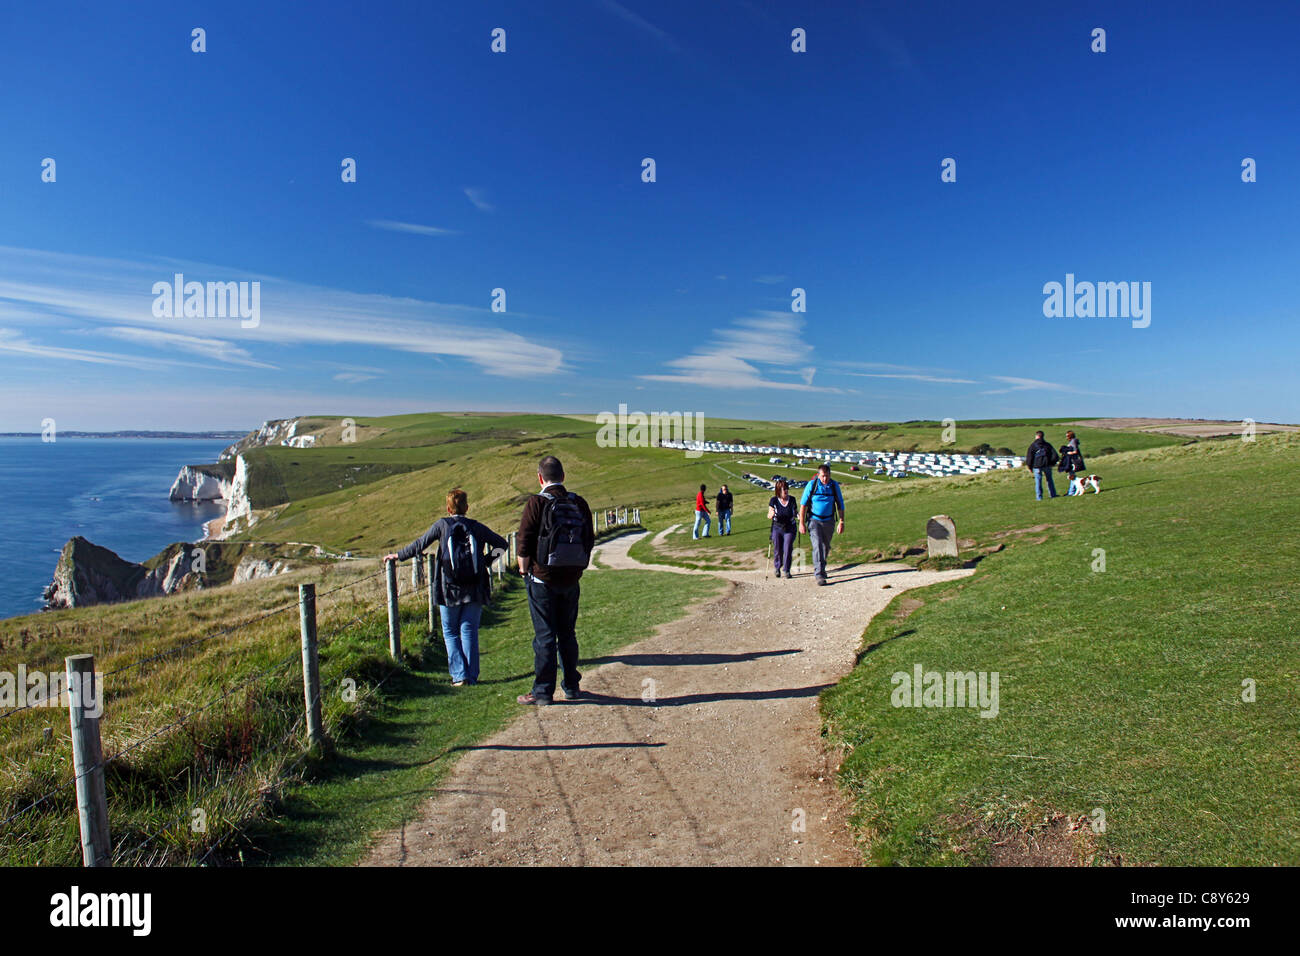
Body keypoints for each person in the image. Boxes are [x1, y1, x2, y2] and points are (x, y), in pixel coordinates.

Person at [383, 488, 507, 687]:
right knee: (469, 630)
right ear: (467, 507)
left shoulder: (442, 525)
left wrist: (398, 556)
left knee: (450, 631)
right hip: (475, 587)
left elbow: (420, 544)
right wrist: (485, 561)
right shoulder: (476, 526)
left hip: (449, 588)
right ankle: (472, 677)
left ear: (448, 508)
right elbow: (501, 544)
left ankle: (460, 676)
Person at [515, 455, 595, 706]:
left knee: (545, 636)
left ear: (540, 477)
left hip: (542, 579)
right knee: (567, 634)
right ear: (563, 477)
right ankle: (572, 685)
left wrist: (524, 570)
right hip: (571, 579)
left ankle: (542, 692)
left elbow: (524, 541)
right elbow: (589, 539)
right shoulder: (579, 503)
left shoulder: (536, 502)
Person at [798, 464, 845, 586]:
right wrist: (801, 523)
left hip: (829, 521)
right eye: (823, 476)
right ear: (818, 475)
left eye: (827, 476)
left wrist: (841, 521)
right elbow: (803, 505)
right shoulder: (812, 485)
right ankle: (818, 574)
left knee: (826, 547)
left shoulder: (834, 486)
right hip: (814, 520)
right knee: (817, 545)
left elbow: (840, 504)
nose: (825, 479)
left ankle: (822, 568)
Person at [768, 478, 798, 578]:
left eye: (786, 488)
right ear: (778, 491)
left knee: (788, 547)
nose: (785, 491)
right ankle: (777, 567)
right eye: (782, 489)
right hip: (777, 527)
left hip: (789, 527)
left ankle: (787, 570)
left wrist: (798, 516)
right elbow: (769, 513)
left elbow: (795, 511)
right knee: (777, 549)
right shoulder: (774, 500)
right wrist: (771, 514)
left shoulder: (792, 499)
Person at [1026, 430, 1060, 500]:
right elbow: (1055, 456)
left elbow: (1029, 457)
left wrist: (1029, 466)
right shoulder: (1047, 445)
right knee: (1049, 480)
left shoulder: (1033, 446)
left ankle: (1039, 497)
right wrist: (1052, 463)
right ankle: (1053, 494)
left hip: (1037, 466)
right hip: (1047, 465)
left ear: (1037, 436)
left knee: (1038, 482)